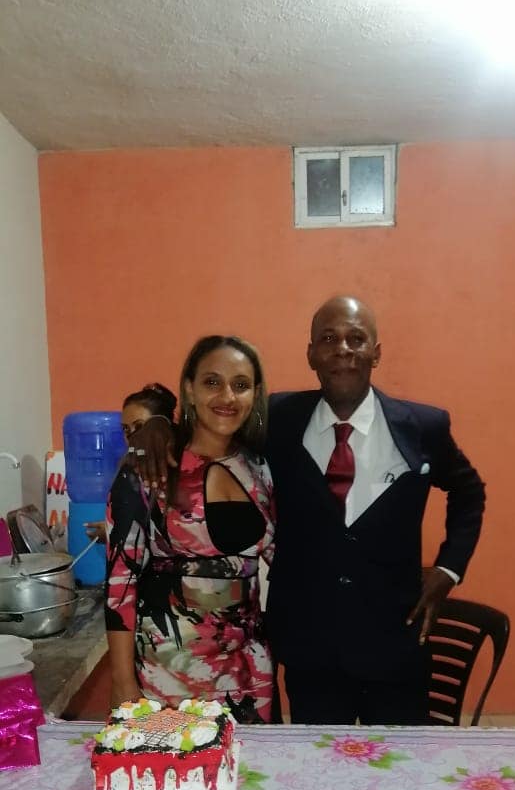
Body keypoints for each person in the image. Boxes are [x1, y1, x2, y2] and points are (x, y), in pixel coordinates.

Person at [128, 296, 485, 727]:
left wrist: (449, 569)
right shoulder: (278, 420)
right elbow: (214, 422)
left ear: (376, 352)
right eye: (329, 339)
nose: (343, 349)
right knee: (312, 762)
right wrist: (158, 425)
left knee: (400, 764)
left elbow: (469, 492)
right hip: (310, 653)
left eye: (356, 338)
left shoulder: (423, 427)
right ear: (311, 353)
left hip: (395, 644)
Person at [104, 335, 275, 721]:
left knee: (253, 760)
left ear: (255, 394)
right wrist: (122, 682)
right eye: (212, 382)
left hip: (251, 672)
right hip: (170, 674)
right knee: (178, 760)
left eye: (241, 385)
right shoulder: (148, 469)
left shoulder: (259, 468)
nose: (227, 396)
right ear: (189, 389)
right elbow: (119, 584)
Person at [85, 382, 177, 544]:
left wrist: (114, 532)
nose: (131, 436)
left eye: (140, 426)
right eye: (126, 429)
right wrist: (111, 528)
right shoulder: (128, 466)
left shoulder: (177, 470)